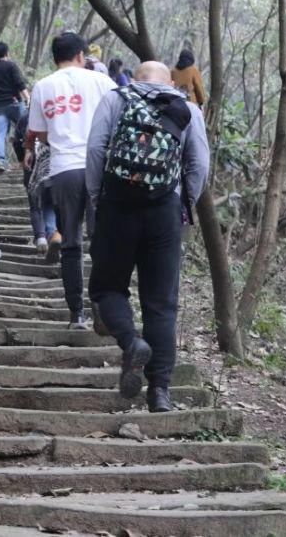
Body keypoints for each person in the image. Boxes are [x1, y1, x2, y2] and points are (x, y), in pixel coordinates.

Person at [85, 61, 210, 413]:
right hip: (164, 212)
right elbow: (199, 165)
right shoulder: (187, 109)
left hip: (117, 206)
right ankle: (160, 393)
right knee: (161, 304)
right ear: (170, 82)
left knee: (106, 288)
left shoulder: (116, 99)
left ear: (135, 79)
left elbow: (95, 150)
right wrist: (183, 206)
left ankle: (131, 342)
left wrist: (97, 198)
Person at [25, 32, 113, 330]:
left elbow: (39, 132)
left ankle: (77, 314)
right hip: (98, 168)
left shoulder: (43, 85)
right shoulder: (101, 82)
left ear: (55, 58)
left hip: (62, 169)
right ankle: (103, 308)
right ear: (81, 55)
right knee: (102, 241)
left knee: (71, 243)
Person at [12, 109, 56, 253]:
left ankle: (41, 237)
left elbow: (17, 140)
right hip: (53, 162)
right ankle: (54, 233)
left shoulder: (26, 117)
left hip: (31, 162)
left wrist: (21, 158)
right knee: (53, 201)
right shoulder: (57, 112)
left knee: (35, 203)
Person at [0, 42, 29, 173]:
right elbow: (20, 83)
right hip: (14, 104)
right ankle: (27, 158)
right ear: (7, 52)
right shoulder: (11, 66)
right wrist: (28, 98)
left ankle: (1, 161)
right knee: (25, 129)